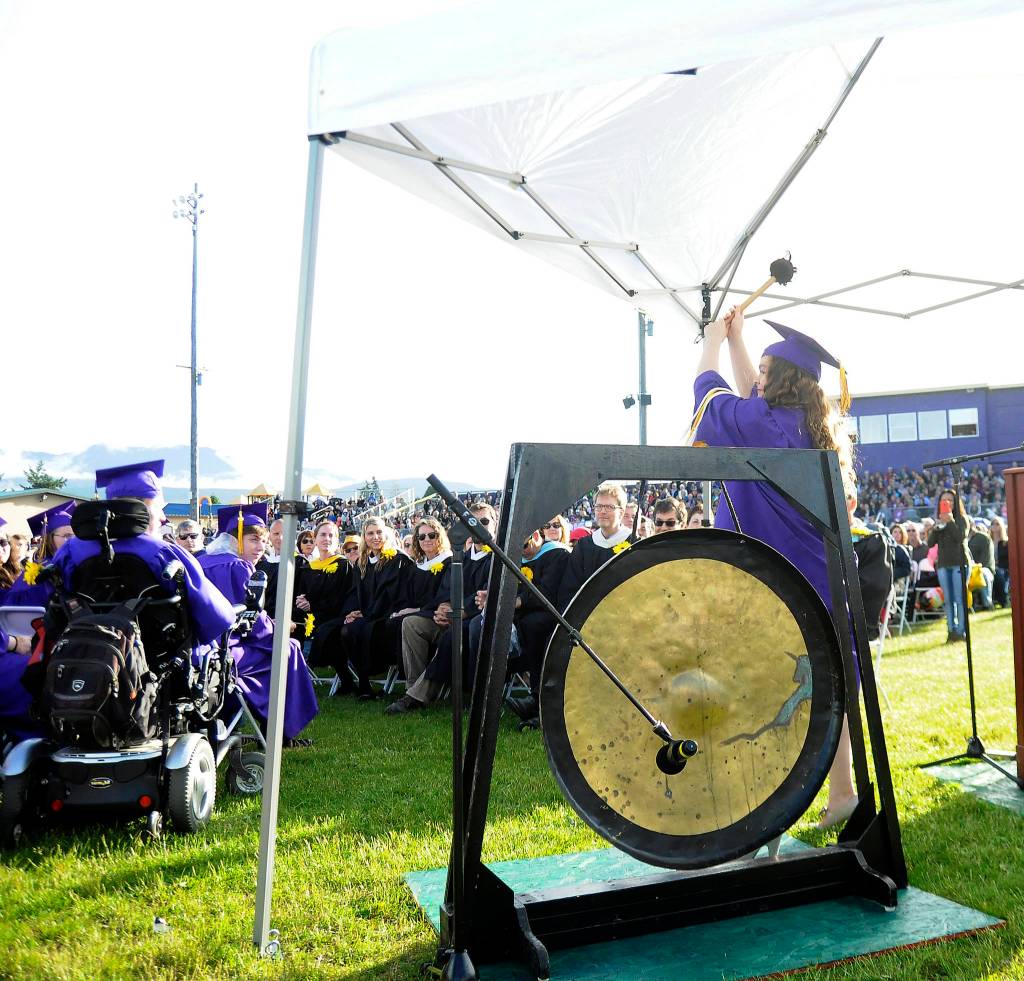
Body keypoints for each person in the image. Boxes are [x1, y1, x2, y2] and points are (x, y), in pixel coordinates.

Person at [690, 308, 857, 829]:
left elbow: (713, 402)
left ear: (779, 381)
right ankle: (844, 793)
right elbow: (748, 401)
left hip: (774, 575)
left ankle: (764, 804)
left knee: (764, 686)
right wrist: (742, 342)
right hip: (822, 574)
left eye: (763, 372)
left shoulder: (759, 424)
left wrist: (712, 343)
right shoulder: (807, 427)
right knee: (827, 678)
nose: (756, 380)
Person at [50, 460, 236, 649]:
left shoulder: (70, 551)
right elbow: (218, 617)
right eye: (159, 508)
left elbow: (53, 605)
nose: (163, 517)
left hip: (84, 650)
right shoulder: (164, 553)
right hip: (158, 658)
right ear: (144, 510)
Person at [198, 504, 318, 745]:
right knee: (289, 648)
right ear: (235, 539)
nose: (260, 547)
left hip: (203, 646)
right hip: (227, 647)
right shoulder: (237, 566)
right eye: (254, 539)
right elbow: (252, 624)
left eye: (263, 540)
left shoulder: (202, 560)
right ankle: (279, 733)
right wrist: (277, 628)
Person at [388, 503, 496, 714]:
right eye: (471, 523)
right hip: (451, 617)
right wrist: (443, 607)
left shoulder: (497, 559)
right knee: (412, 623)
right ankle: (413, 687)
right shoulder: (460, 559)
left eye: (484, 522)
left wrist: (461, 611)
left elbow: (487, 595)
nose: (478, 527)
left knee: (453, 635)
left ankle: (418, 696)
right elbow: (445, 591)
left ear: (494, 525)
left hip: (475, 622)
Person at [506, 527, 572, 725]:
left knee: (535, 627)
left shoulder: (556, 554)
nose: (522, 552)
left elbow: (547, 592)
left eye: (524, 546)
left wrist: (519, 601)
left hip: (550, 614)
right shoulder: (518, 558)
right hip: (524, 616)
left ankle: (538, 700)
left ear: (536, 536)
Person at [342, 517, 412, 698]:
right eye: (370, 533)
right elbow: (354, 592)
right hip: (367, 614)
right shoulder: (362, 562)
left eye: (379, 532)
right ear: (364, 537)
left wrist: (368, 614)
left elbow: (396, 594)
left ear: (386, 533)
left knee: (368, 629)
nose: (375, 537)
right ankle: (363, 684)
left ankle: (372, 680)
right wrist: (353, 611)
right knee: (347, 630)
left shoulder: (398, 560)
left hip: (389, 614)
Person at [556, 483, 634, 611]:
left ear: (621, 512)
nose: (603, 511)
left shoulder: (633, 543)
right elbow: (569, 589)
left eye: (609, 506)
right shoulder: (584, 546)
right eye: (599, 506)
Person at [294, 521, 353, 673]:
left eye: (331, 535)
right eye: (323, 535)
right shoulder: (309, 567)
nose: (327, 539)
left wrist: (311, 605)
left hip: (335, 615)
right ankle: (291, 674)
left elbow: (340, 597)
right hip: (310, 616)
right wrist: (301, 601)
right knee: (289, 625)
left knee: (326, 631)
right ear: (315, 539)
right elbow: (302, 593)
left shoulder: (343, 565)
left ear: (337, 540)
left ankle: (309, 667)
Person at [0, 501, 77, 608]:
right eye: (67, 535)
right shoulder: (38, 569)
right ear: (49, 539)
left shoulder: (80, 562)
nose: (72, 540)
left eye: (75, 535)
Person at [927, 490, 970, 642]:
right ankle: (951, 631)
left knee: (959, 599)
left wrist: (950, 521)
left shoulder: (962, 519)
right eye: (944, 500)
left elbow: (960, 537)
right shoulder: (939, 523)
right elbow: (930, 543)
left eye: (950, 500)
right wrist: (936, 526)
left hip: (959, 563)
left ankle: (962, 631)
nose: (947, 503)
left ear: (956, 502)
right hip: (944, 565)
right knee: (948, 600)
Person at [967, 518, 995, 612]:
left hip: (983, 569)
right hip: (966, 570)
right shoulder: (961, 539)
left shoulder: (983, 538)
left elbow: (986, 559)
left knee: (983, 573)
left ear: (972, 524)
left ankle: (987, 604)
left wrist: (975, 568)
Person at [991, 517, 1011, 608]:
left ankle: (1003, 601)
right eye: (993, 524)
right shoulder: (989, 541)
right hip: (990, 567)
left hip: (1004, 568)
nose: (994, 526)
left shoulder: (1005, 543)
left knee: (1000, 574)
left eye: (997, 524)